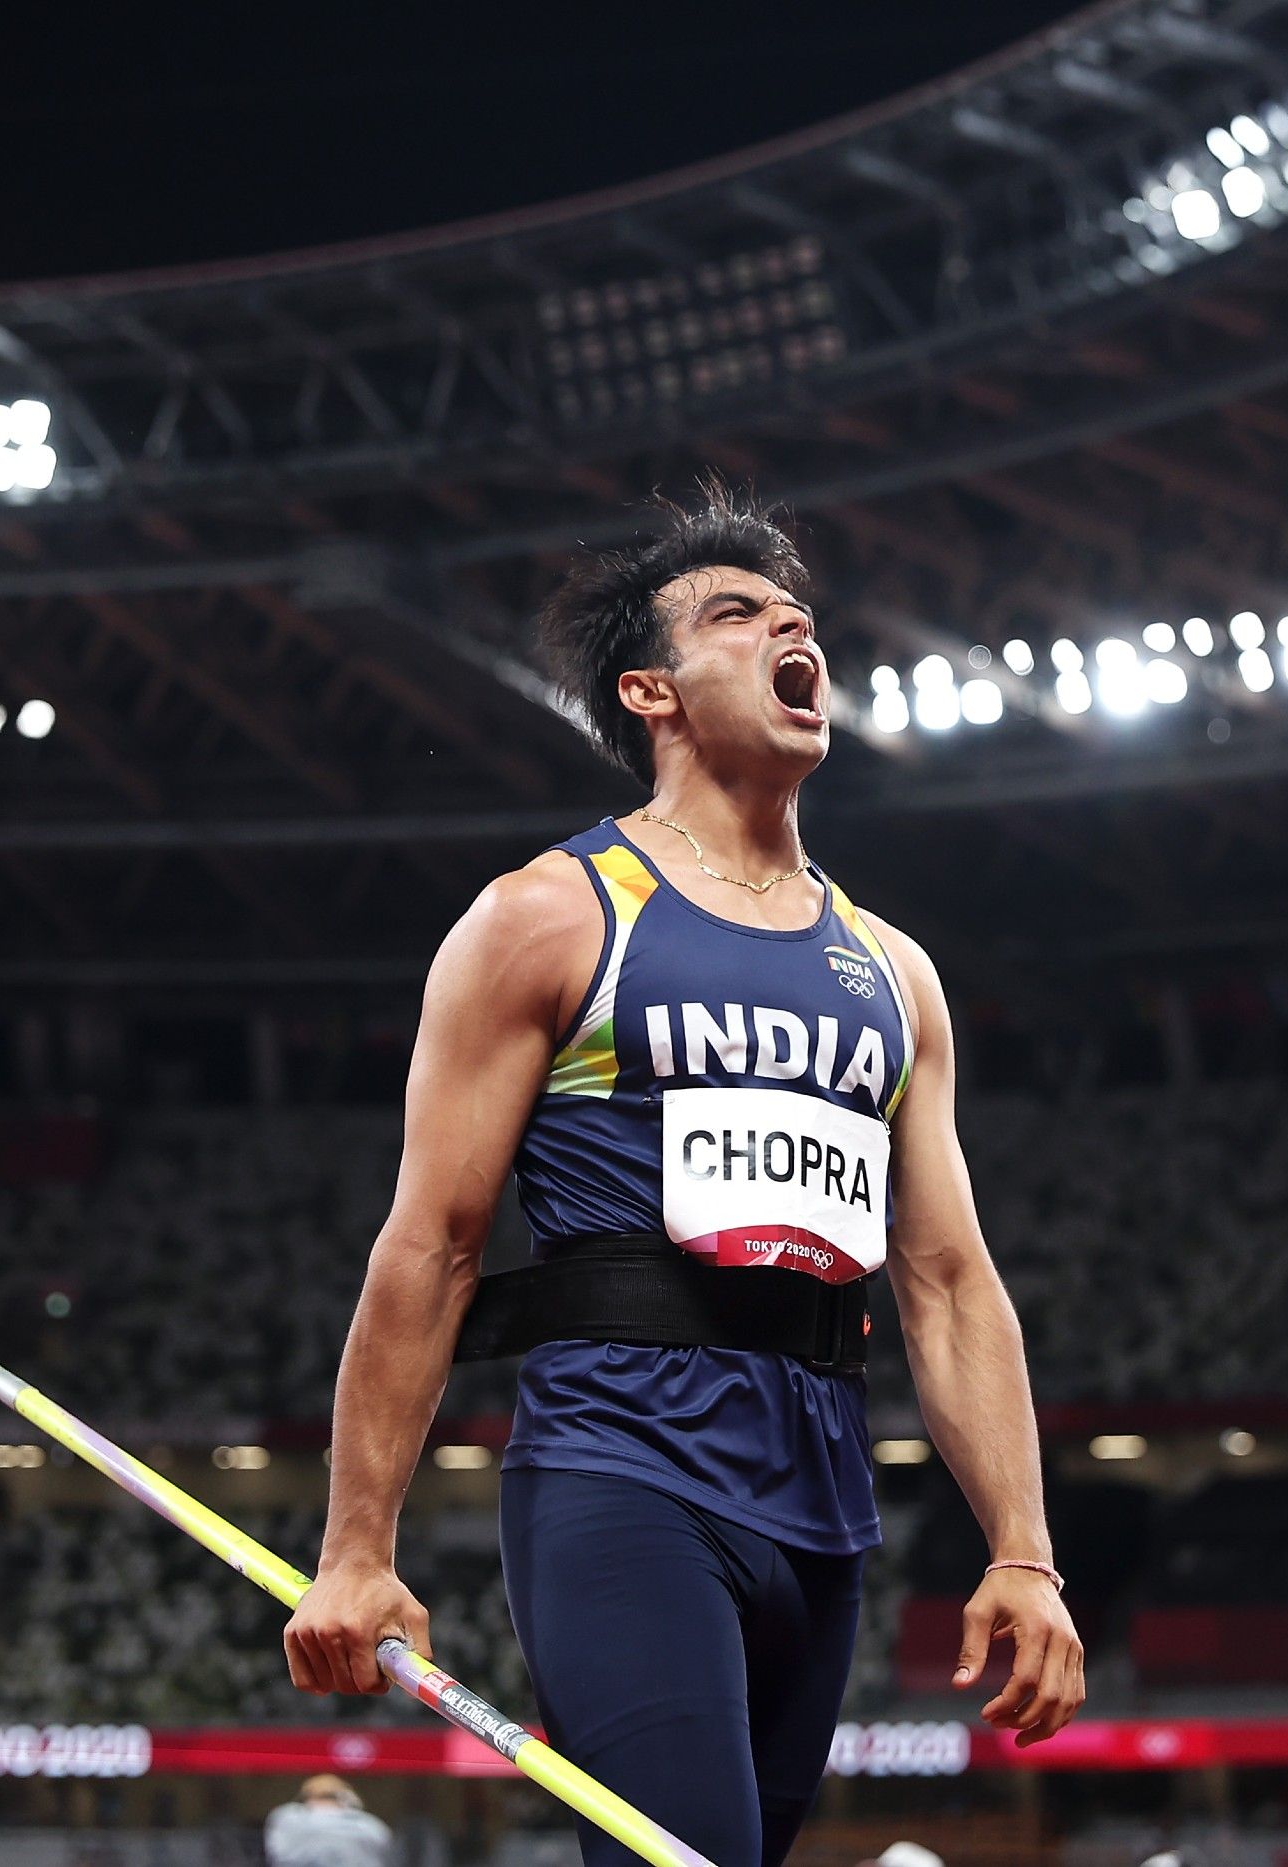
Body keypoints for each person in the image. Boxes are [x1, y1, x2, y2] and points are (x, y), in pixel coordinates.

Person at [282, 483, 1083, 1865]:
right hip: (622, 1468)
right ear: (649, 690)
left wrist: (1023, 1546)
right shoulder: (549, 916)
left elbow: (948, 1278)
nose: (789, 626)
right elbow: (433, 1242)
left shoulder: (894, 970)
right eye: (736, 613)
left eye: (798, 614)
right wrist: (359, 1543)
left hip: (825, 1496)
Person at [263, 1776, 392, 1867]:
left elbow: (275, 1854)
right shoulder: (370, 1825)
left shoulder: (286, 1818)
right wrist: (354, 1806)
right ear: (347, 1796)